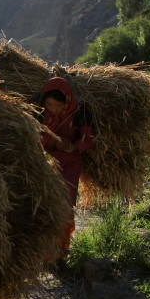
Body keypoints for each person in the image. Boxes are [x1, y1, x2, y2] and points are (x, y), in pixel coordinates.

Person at [37, 76, 95, 260]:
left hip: (69, 162)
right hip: (44, 162)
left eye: (58, 106)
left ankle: (60, 253)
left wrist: (71, 146)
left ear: (67, 101)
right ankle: (43, 252)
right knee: (43, 206)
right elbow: (33, 137)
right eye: (49, 104)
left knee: (64, 206)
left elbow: (87, 139)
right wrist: (51, 141)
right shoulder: (38, 112)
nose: (53, 109)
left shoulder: (80, 111)